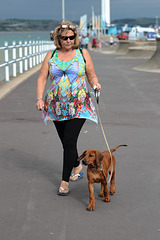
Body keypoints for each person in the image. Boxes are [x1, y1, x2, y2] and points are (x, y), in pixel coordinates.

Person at [36, 20, 101, 196]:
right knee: (66, 142)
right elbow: (42, 78)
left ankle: (65, 181)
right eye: (65, 38)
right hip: (56, 106)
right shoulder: (51, 55)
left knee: (69, 141)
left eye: (72, 37)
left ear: (75, 38)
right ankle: (76, 165)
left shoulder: (83, 53)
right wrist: (39, 98)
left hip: (79, 106)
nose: (68, 41)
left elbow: (91, 75)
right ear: (58, 38)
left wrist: (95, 84)